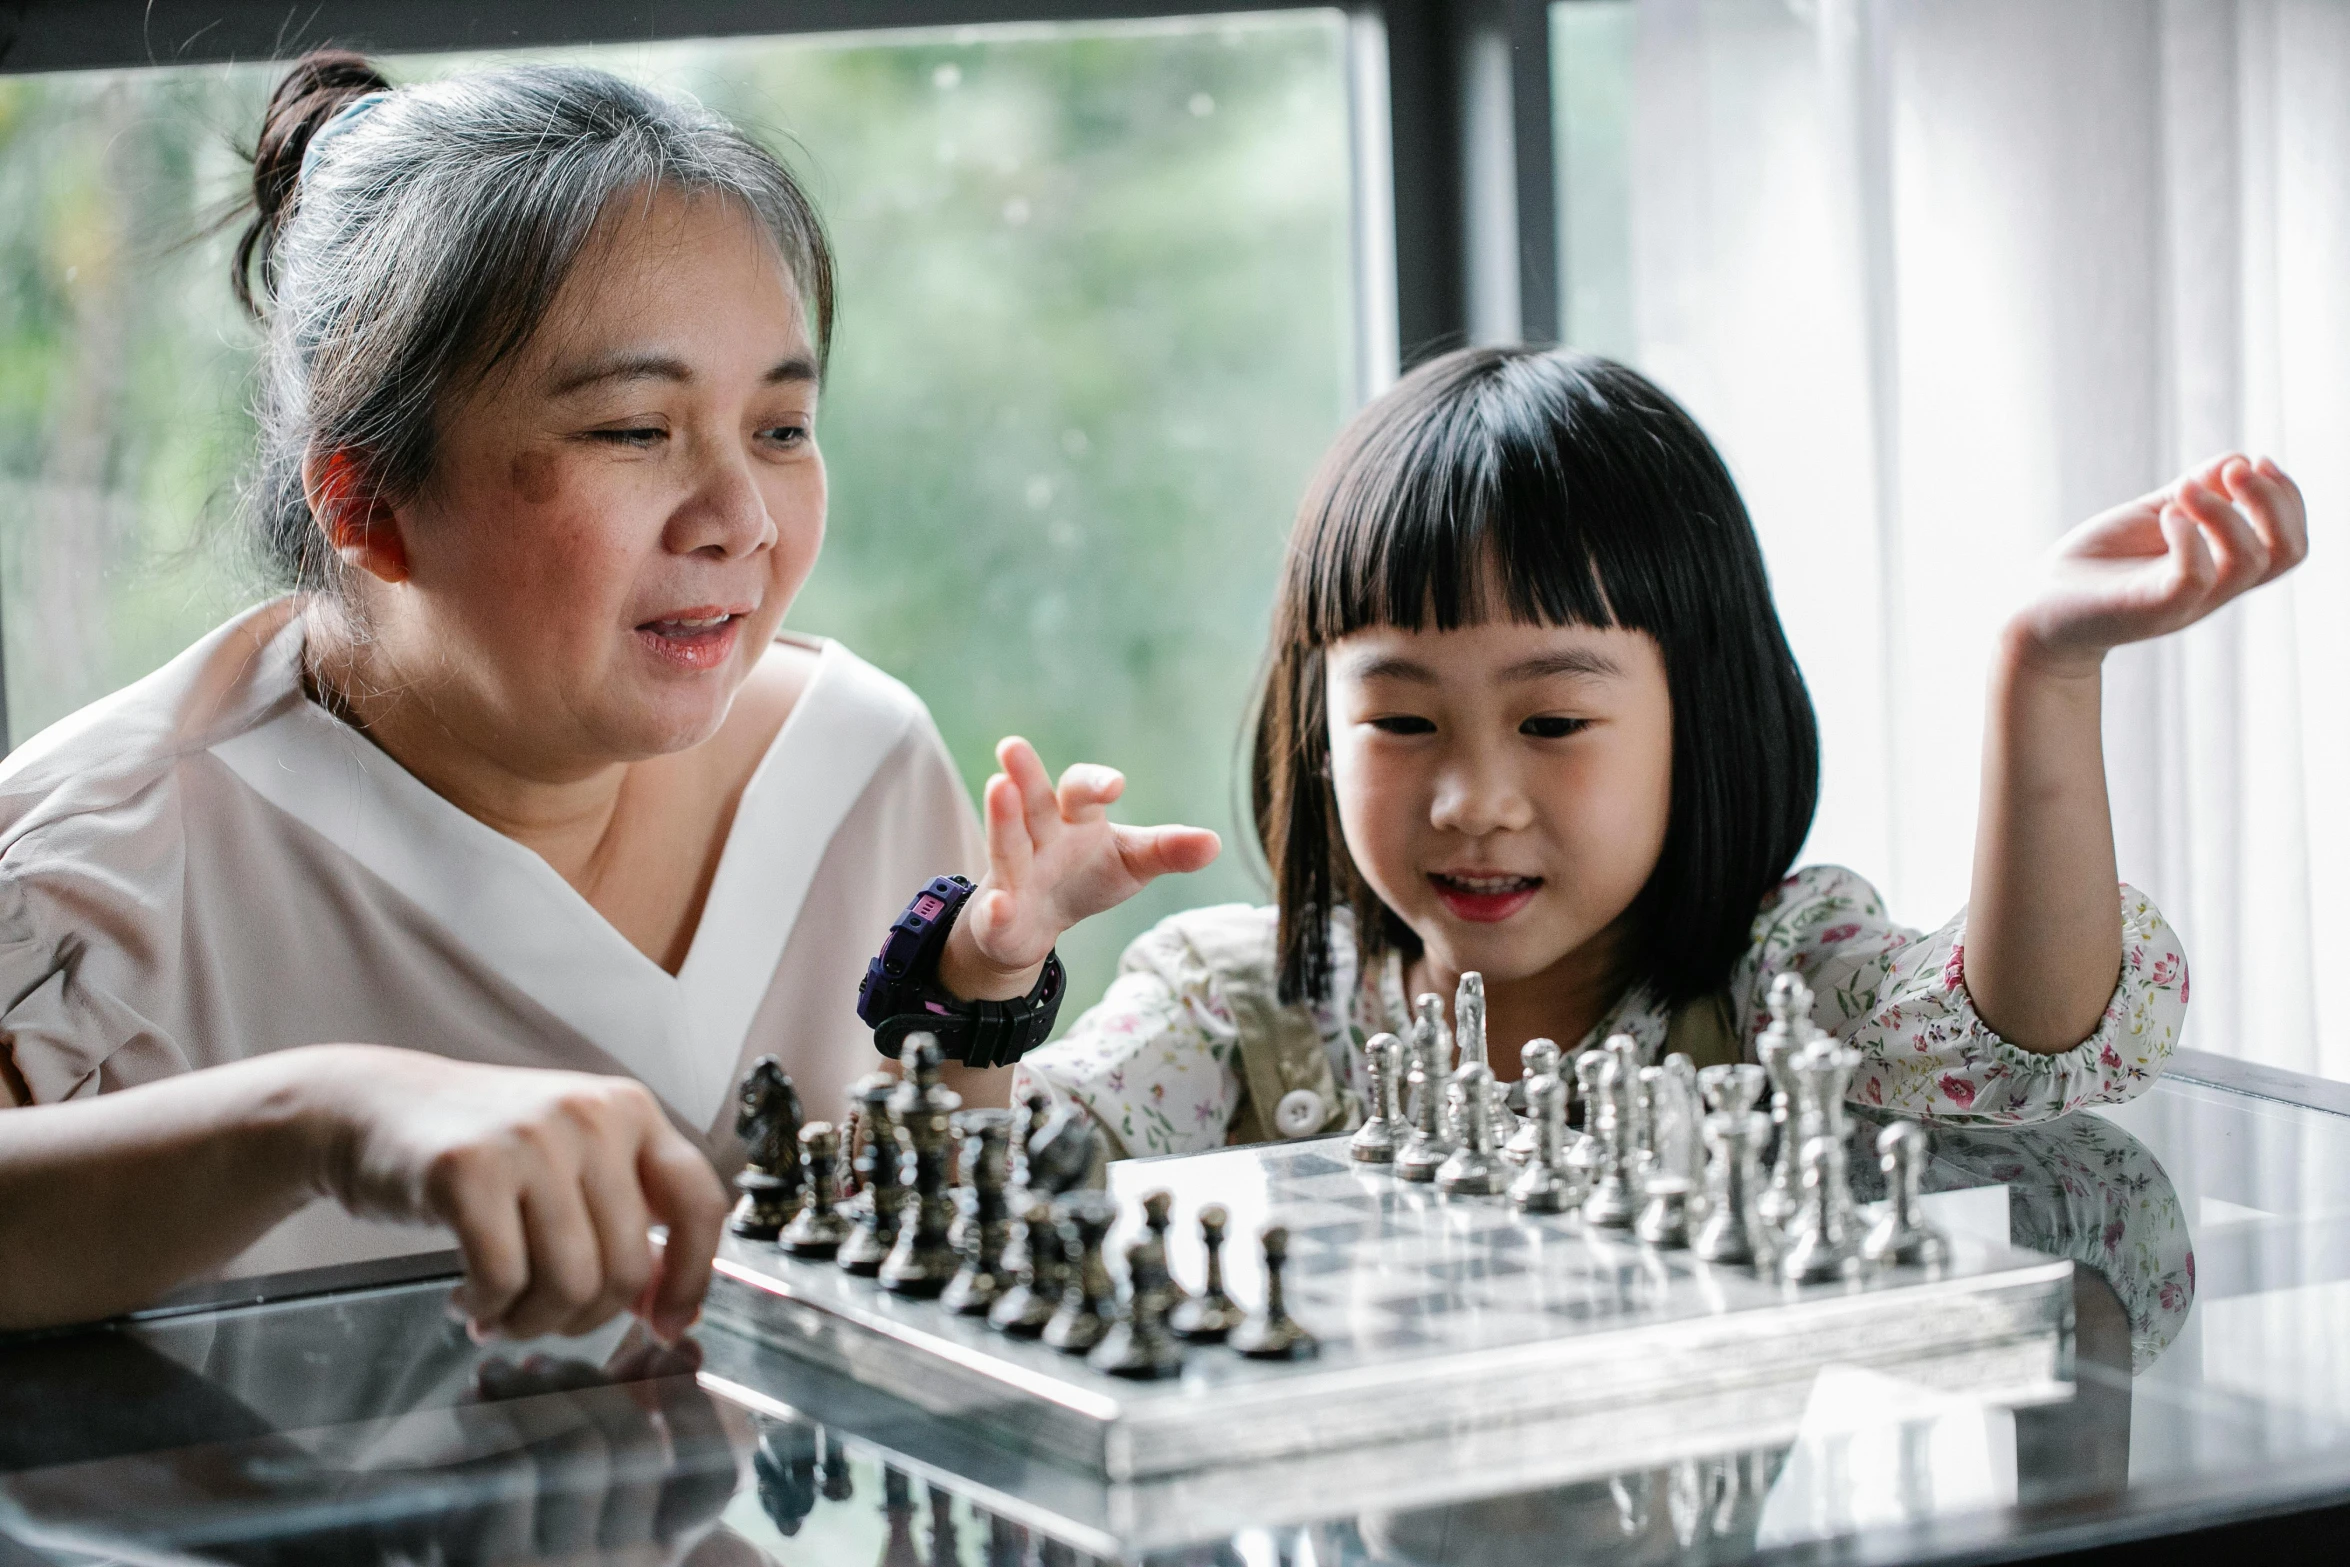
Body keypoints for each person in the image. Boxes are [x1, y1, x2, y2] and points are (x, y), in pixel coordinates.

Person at [0, 52, 992, 1329]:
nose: (740, 520)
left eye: (781, 429)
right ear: (366, 503)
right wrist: (317, 1117)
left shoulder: (863, 774)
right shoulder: (94, 881)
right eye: (634, 430)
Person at [903, 348, 2303, 1156]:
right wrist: (989, 975)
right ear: (1311, 728)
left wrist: (2040, 672)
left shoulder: (1772, 977)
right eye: (1397, 719)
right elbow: (1002, 1189)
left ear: (1701, 714)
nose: (1472, 798)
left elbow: (2020, 1046)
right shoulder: (1241, 996)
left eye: (1553, 720)